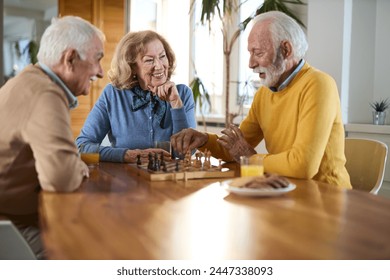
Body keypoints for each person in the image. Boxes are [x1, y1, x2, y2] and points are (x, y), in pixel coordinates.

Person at [171, 11, 351, 188]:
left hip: (327, 196)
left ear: (286, 50)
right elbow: (235, 149)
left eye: (258, 53)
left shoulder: (318, 84)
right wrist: (203, 139)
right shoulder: (264, 94)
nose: (250, 63)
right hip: (282, 190)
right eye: (250, 53)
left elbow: (303, 165)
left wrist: (251, 158)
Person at [0, 16, 105, 259]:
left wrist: (73, 162)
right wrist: (77, 166)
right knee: (86, 252)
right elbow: (61, 178)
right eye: (97, 59)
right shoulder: (46, 94)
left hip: (15, 214)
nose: (100, 72)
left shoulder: (28, 80)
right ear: (70, 59)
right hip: (9, 222)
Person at [76, 30, 196, 163]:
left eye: (162, 56)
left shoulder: (183, 94)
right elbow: (81, 147)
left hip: (170, 181)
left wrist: (176, 103)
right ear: (132, 67)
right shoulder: (113, 95)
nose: (159, 66)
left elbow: (187, 153)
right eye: (149, 60)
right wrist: (127, 155)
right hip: (126, 181)